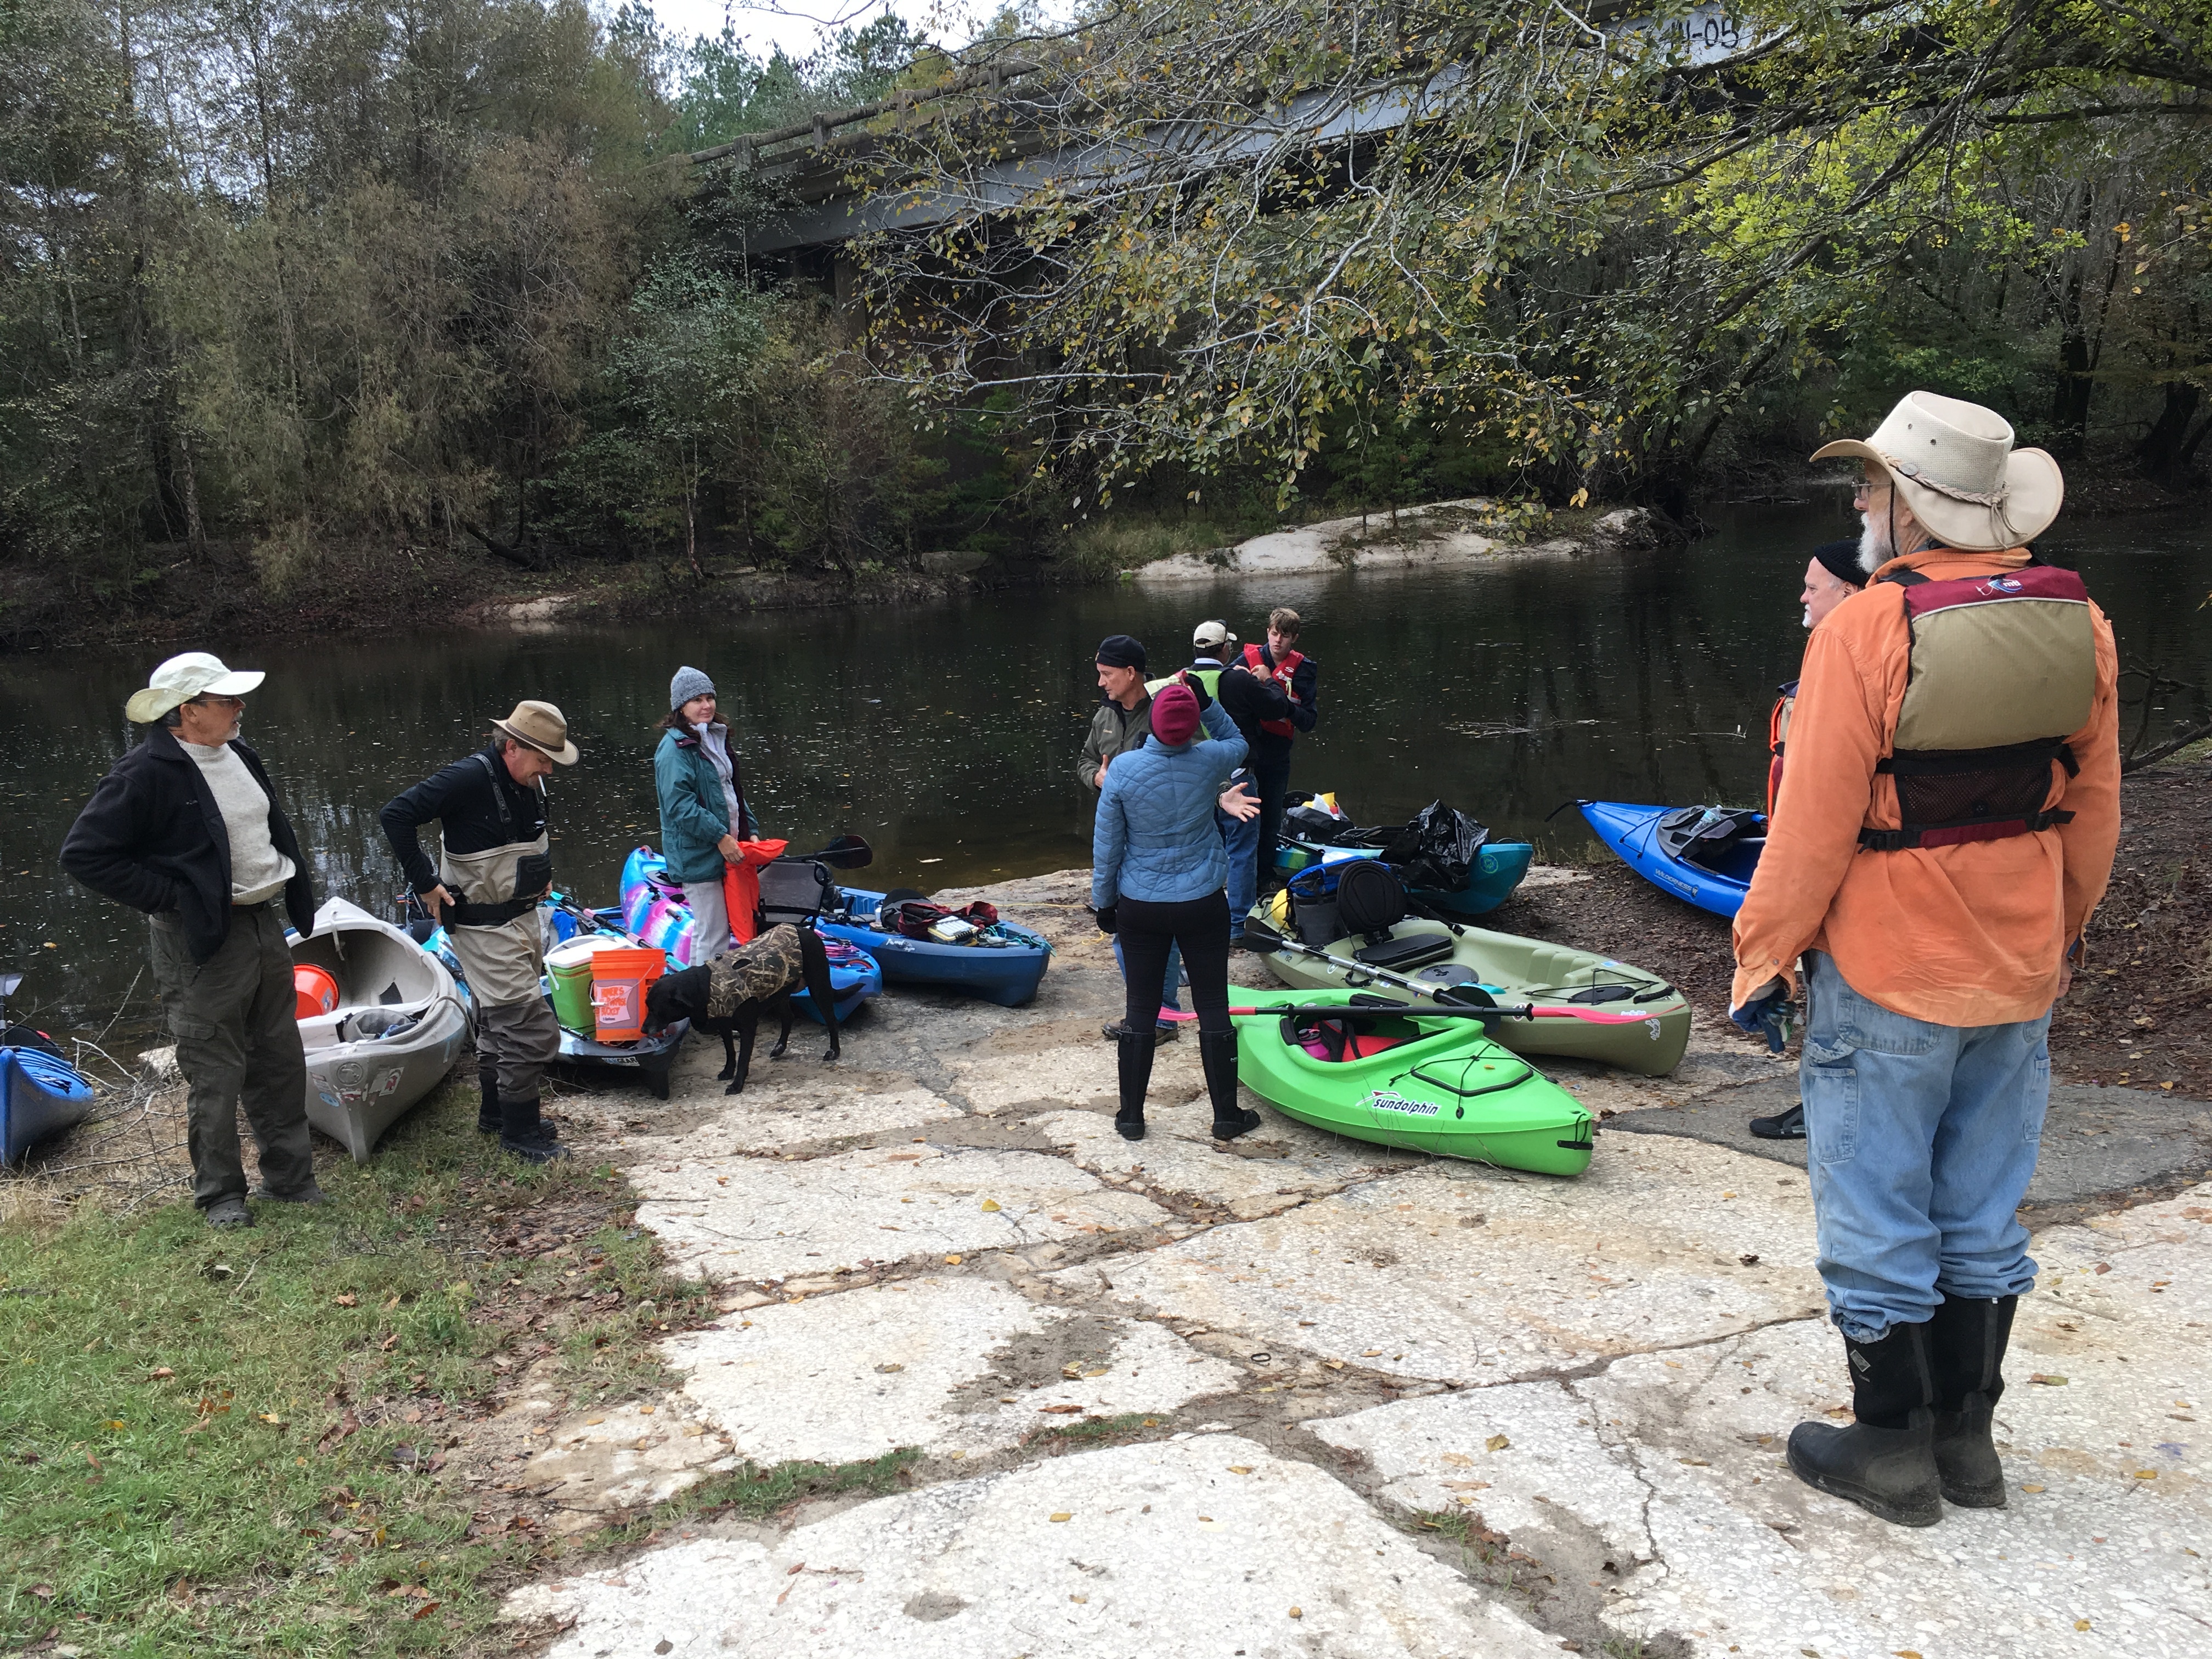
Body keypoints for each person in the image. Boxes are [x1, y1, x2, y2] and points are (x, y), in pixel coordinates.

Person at [1728, 390, 2118, 1529]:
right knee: (1983, 1210)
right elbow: (2092, 811)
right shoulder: (2081, 620)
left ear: (1909, 508)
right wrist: (2057, 929)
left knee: (1878, 1202)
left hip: (1890, 966)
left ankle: (1891, 1448)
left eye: (1871, 485)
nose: (1859, 501)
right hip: (2021, 963)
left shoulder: (1865, 629)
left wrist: (1765, 957)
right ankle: (1971, 1446)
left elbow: (1812, 826)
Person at [60, 653, 321, 1228]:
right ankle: (222, 1197)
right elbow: (84, 855)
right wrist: (174, 897)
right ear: (186, 711)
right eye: (226, 699)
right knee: (215, 1071)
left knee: (278, 1058)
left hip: (262, 925)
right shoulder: (145, 772)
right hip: (201, 942)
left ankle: (291, 1179)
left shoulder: (239, 753)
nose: (240, 706)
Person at [382, 701, 580, 1165]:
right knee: (528, 1031)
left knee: (495, 1020)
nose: (549, 768)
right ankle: (521, 1134)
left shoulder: (527, 780)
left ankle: (496, 1115)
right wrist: (425, 882)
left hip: (523, 917)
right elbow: (396, 816)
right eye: (542, 759)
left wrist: (538, 875)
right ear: (511, 747)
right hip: (481, 925)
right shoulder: (466, 780)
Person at [1092, 681, 1262, 1143]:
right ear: (1192, 727)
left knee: (1141, 1008)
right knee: (1212, 1006)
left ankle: (1131, 1118)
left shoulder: (1124, 769)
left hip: (1140, 904)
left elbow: (1108, 846)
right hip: (1201, 901)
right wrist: (1208, 704)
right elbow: (1239, 741)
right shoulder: (1210, 760)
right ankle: (1226, 1117)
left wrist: (1104, 903)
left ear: (1153, 723)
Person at [1748, 539, 1868, 1144]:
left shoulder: (1850, 663)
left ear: (1849, 592)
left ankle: (1824, 1111)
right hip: (1803, 849)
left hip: (1829, 869)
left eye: (1812, 586)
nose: (1802, 596)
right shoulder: (1836, 659)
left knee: (1831, 989)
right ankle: (1820, 1101)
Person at [1078, 635, 1183, 1042]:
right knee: (1124, 927)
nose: (1101, 683)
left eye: (1106, 675)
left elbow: (1200, 759)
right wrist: (1097, 778)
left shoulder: (1166, 712)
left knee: (1160, 928)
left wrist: (1222, 792)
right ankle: (1151, 1010)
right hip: (1116, 838)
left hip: (1158, 840)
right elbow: (1086, 761)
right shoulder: (1103, 718)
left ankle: (1163, 1016)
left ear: (1130, 672)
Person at [1153, 621, 1263, 944]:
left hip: (1194, 781)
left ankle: (1205, 920)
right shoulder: (1237, 678)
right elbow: (1261, 718)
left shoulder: (1176, 682)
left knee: (1204, 849)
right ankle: (1238, 923)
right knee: (1242, 850)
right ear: (1225, 649)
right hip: (1236, 777)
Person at [656, 666, 760, 962]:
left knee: (727, 929)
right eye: (697, 700)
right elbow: (680, 807)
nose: (707, 706)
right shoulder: (674, 750)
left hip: (728, 850)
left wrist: (748, 828)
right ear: (681, 707)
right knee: (712, 932)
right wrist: (721, 837)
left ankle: (716, 993)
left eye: (710, 698)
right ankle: (702, 1001)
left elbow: (730, 791)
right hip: (698, 856)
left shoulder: (714, 738)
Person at [1235, 607, 1319, 893]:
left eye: (1284, 636)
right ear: (1267, 632)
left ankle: (1263, 879)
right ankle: (1236, 876)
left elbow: (1308, 721)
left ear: (1294, 638)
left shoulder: (1304, 669)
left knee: (1270, 819)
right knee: (1241, 819)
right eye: (1273, 633)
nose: (1278, 641)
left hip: (1277, 754)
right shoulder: (1246, 660)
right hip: (1245, 753)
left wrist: (1272, 687)